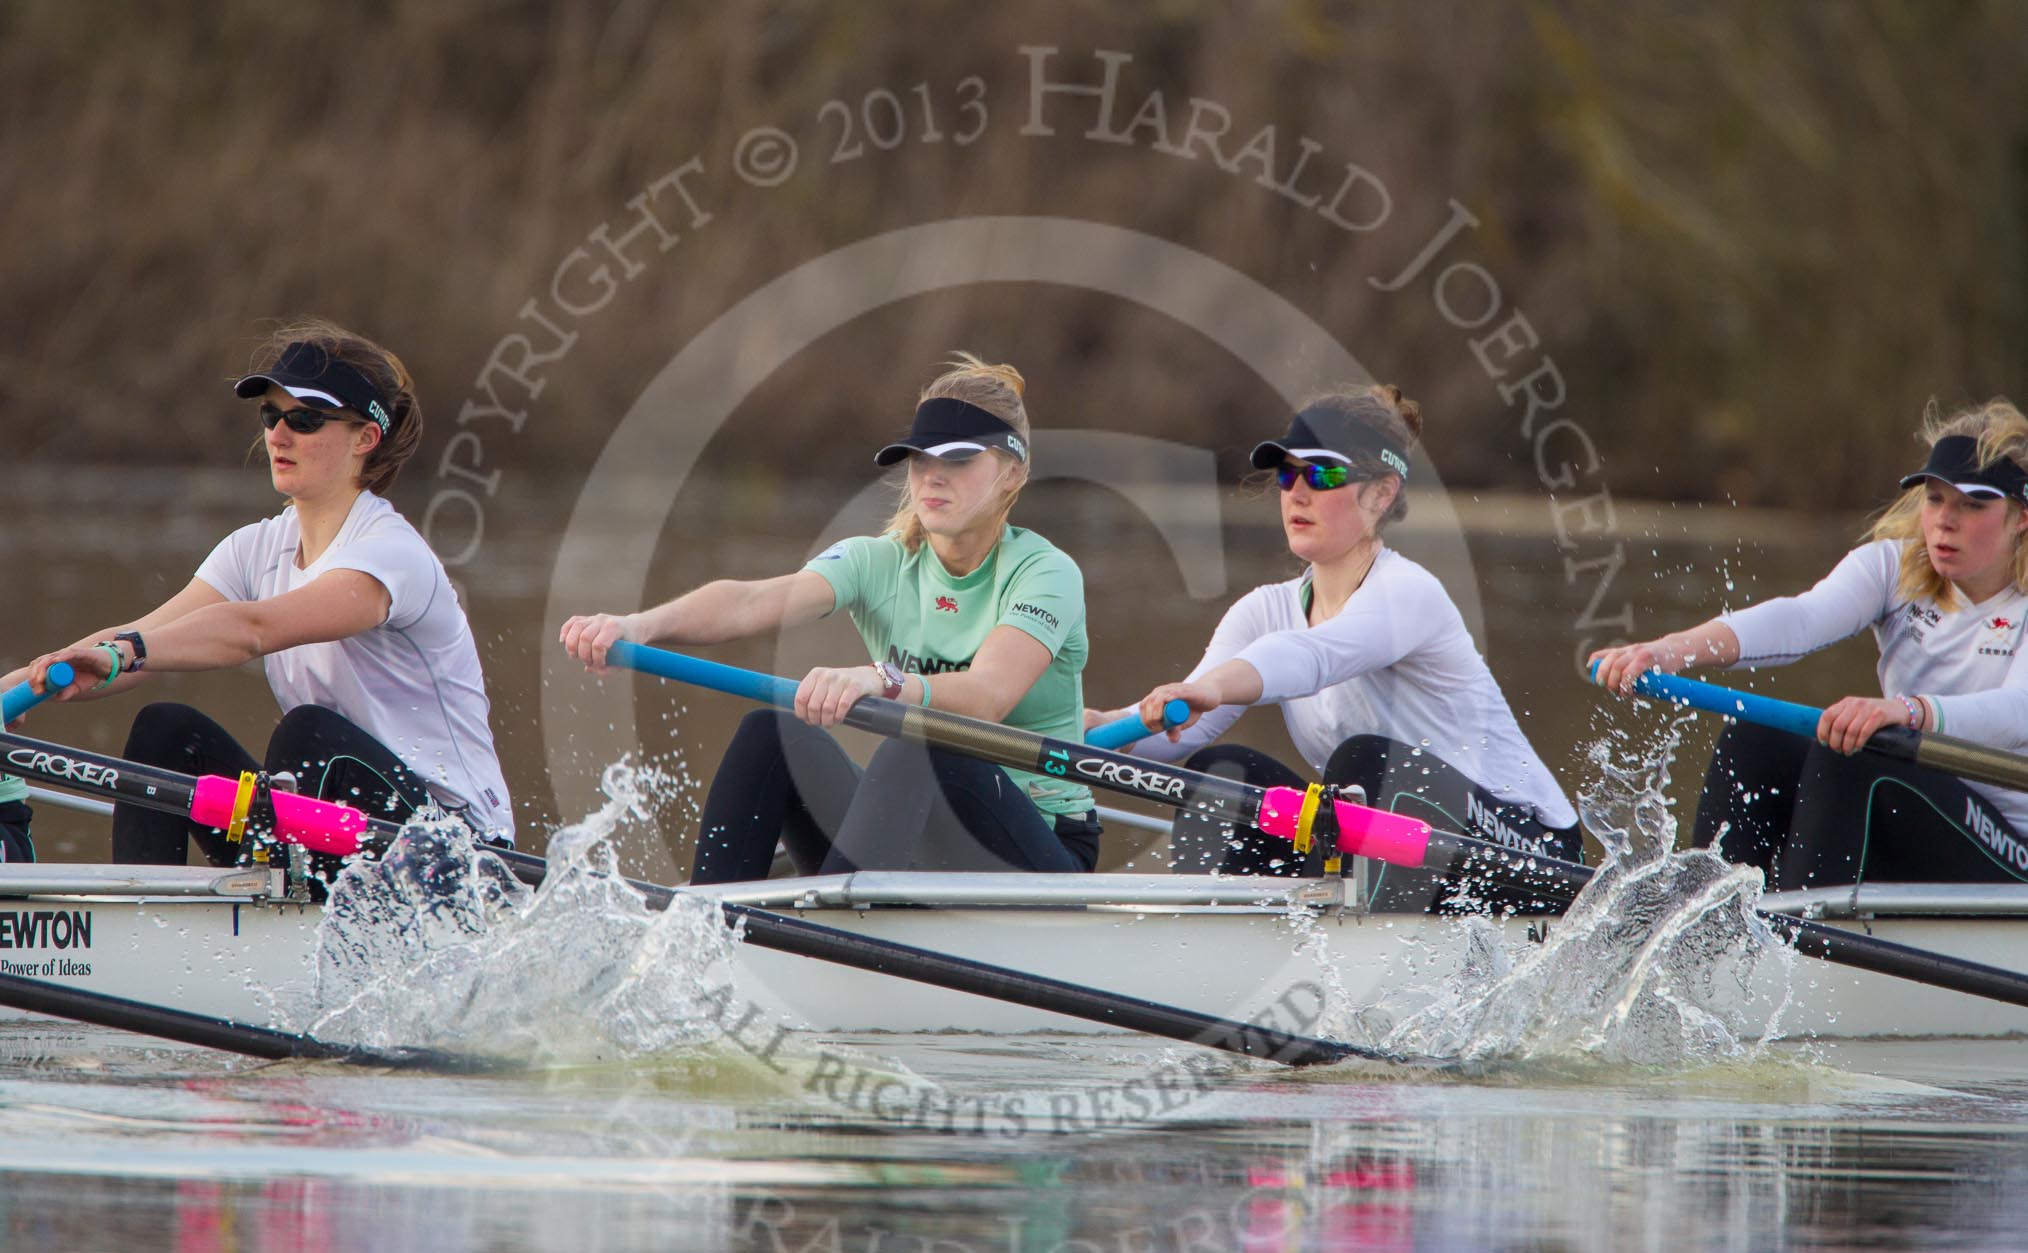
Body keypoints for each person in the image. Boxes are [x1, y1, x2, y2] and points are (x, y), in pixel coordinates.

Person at [560, 354, 1099, 882]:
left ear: (1013, 471)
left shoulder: (1045, 572)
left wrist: (880, 679)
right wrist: (637, 627)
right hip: (912, 833)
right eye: (920, 460)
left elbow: (988, 695)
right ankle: (708, 930)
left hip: (1041, 845)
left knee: (922, 747)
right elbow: (752, 601)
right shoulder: (878, 561)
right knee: (772, 730)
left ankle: (836, 938)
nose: (933, 478)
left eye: (956, 460)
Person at [10, 320, 515, 882]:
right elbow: (135, 637)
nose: (279, 435)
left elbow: (250, 630)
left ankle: (288, 911)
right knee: (166, 731)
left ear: (365, 438)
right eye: (271, 416)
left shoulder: (391, 554)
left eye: (305, 419)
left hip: (458, 851)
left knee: (309, 732)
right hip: (339, 830)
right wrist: (17, 687)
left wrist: (126, 651)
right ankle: (142, 923)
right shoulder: (257, 548)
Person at [1110, 385, 1580, 910]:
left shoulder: (1408, 592)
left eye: (1323, 474)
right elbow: (1167, 732)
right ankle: (1214, 949)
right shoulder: (1262, 611)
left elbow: (1311, 658)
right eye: (1288, 473)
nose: (1297, 493)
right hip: (1405, 848)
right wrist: (1071, 725)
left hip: (1530, 855)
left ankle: (1364, 947)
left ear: (1381, 494)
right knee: (1220, 774)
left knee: (1365, 763)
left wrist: (1210, 688)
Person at [1591, 398, 2028, 890]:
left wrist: (1909, 713)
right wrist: (1670, 651)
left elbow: (2017, 712)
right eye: (1935, 498)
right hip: (1910, 807)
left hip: (2009, 850)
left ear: (2020, 517)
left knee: (1852, 750)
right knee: (1754, 737)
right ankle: (1705, 926)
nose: (1946, 521)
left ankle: (1804, 944)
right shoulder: (1891, 568)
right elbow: (1800, 618)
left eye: (1973, 504)